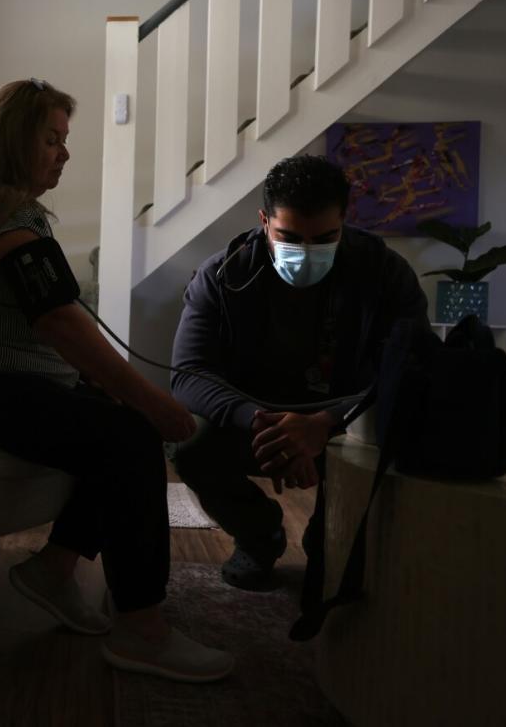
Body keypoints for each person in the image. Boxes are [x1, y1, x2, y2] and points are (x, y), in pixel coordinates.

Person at [0, 78, 233, 683]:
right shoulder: (4, 212)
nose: (64, 152)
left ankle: (53, 570)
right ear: (12, 141)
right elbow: (57, 317)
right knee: (132, 437)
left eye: (64, 139)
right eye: (51, 139)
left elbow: (55, 322)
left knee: (119, 426)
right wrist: (152, 401)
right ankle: (142, 629)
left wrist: (116, 389)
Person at [169, 154, 429, 592]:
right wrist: (261, 422)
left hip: (347, 428)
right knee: (187, 440)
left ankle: (327, 540)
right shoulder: (223, 274)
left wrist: (325, 425)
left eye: (324, 238)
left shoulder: (384, 273)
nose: (306, 252)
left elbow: (413, 371)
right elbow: (189, 374)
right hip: (256, 426)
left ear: (345, 220)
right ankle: (258, 534)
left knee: (399, 442)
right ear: (263, 221)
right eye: (288, 237)